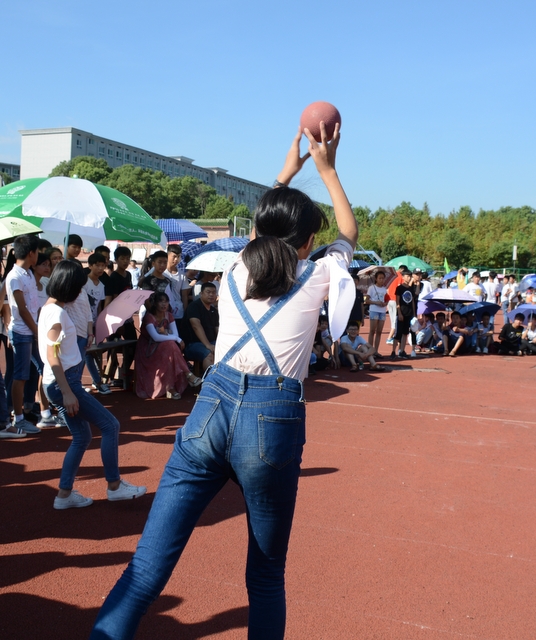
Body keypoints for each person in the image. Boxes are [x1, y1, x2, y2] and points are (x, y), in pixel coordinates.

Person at [90, 121, 358, 640]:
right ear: (308, 243)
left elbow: (263, 230)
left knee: (145, 568)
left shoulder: (235, 268)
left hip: (210, 405)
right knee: (265, 576)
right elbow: (348, 233)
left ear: (257, 232)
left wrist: (287, 173)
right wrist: (328, 170)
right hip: (272, 417)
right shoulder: (317, 274)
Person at [38, 260, 146, 509]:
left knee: (82, 436)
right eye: (78, 287)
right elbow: (53, 356)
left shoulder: (50, 308)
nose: (80, 292)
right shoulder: (57, 313)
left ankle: (64, 494)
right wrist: (68, 392)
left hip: (61, 382)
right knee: (110, 425)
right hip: (65, 383)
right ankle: (114, 486)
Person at [1, 235, 42, 436]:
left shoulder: (28, 273)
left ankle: (44, 412)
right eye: (38, 252)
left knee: (42, 369)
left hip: (31, 331)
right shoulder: (14, 276)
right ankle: (18, 418)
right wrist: (36, 331)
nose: (39, 256)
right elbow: (21, 309)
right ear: (31, 253)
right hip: (22, 332)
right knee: (21, 376)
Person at [135, 292, 201, 400]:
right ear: (155, 303)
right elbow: (156, 337)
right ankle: (187, 375)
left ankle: (171, 387)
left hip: (165, 347)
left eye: (166, 301)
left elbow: (175, 334)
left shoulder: (169, 315)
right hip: (149, 349)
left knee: (169, 347)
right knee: (171, 345)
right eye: (160, 301)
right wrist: (174, 338)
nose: (164, 304)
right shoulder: (148, 317)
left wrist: (171, 335)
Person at [182, 282, 219, 373]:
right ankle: (210, 380)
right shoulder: (194, 306)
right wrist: (208, 345)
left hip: (211, 342)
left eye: (213, 292)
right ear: (201, 294)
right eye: (208, 292)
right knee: (209, 353)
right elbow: (196, 326)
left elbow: (217, 329)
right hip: (193, 344)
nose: (211, 295)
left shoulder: (214, 310)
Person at [391, 269, 415, 360]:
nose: (409, 278)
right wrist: (399, 313)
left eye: (410, 276)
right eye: (407, 276)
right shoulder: (399, 288)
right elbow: (397, 302)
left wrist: (414, 313)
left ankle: (402, 350)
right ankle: (393, 351)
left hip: (409, 313)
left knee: (405, 333)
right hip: (402, 313)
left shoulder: (411, 288)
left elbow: (412, 301)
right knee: (398, 334)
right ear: (403, 277)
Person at [366, 270, 387, 357]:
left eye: (383, 278)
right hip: (374, 310)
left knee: (379, 332)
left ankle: (376, 351)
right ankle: (370, 350)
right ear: (376, 279)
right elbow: (367, 300)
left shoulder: (385, 289)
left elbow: (387, 300)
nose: (382, 280)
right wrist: (376, 302)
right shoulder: (371, 288)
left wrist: (385, 303)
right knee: (372, 331)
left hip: (382, 311)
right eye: (380, 278)